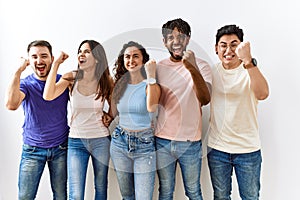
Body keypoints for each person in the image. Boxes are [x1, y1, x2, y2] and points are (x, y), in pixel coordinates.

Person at [43, 40, 114, 199]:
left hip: (101, 140)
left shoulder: (105, 80)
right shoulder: (71, 78)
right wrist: (55, 65)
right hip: (76, 141)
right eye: (80, 51)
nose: (81, 54)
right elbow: (48, 95)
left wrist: (110, 115)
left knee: (101, 187)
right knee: (76, 193)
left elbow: (115, 106)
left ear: (97, 58)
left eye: (86, 51)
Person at [207, 24, 269, 200]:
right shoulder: (212, 72)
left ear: (241, 47)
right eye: (223, 45)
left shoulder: (249, 70)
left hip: (247, 149)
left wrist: (248, 61)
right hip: (217, 149)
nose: (228, 50)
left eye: (234, 45)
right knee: (220, 196)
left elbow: (263, 94)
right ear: (216, 49)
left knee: (250, 197)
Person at [155, 18, 212, 200]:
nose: (176, 41)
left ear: (188, 39)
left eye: (180, 36)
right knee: (166, 191)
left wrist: (192, 67)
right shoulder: (158, 68)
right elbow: (151, 102)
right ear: (164, 42)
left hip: (190, 142)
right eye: (170, 37)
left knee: (193, 191)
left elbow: (205, 99)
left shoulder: (201, 65)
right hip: (162, 140)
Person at [5, 40, 69, 200]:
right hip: (33, 150)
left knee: (61, 196)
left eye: (43, 56)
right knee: (25, 197)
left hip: (61, 148)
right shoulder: (25, 84)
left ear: (51, 58)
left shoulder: (63, 82)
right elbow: (11, 105)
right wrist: (17, 71)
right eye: (34, 57)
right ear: (29, 61)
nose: (39, 60)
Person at [109, 41, 161, 200]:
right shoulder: (119, 85)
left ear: (143, 60)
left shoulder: (150, 85)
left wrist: (151, 75)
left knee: (143, 197)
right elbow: (114, 112)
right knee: (127, 195)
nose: (131, 60)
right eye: (127, 57)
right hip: (119, 142)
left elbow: (152, 107)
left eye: (135, 56)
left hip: (144, 145)